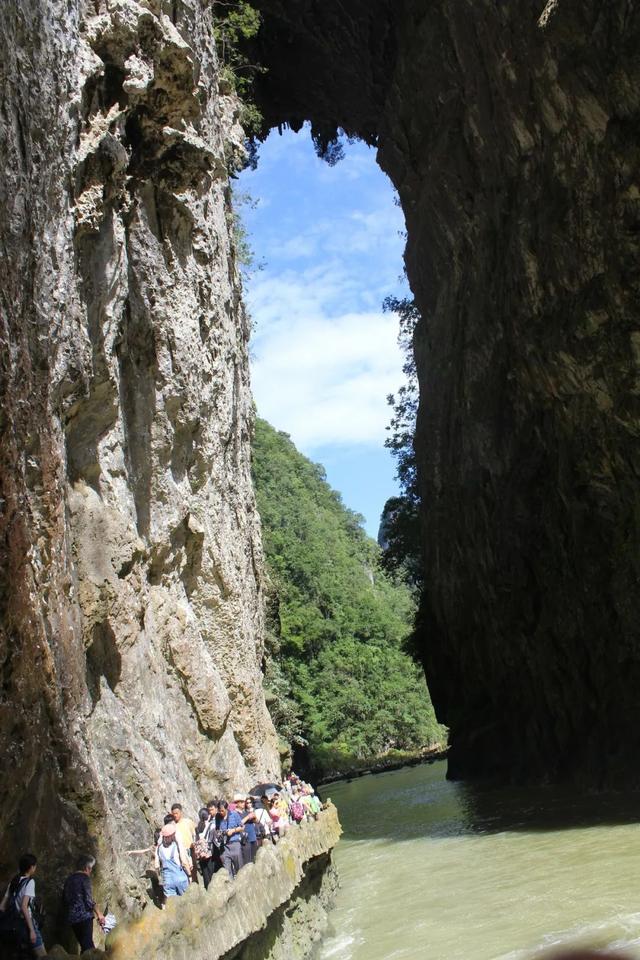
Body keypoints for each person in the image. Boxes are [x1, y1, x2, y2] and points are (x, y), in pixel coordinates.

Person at [0, 853, 46, 957]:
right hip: (26, 923)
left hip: (13, 925)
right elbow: (24, 907)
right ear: (31, 868)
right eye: (34, 866)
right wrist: (31, 930)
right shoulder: (30, 882)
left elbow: (2, 906)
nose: (35, 868)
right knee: (43, 955)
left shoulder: (14, 881)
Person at [62, 854, 105, 952]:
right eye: (91, 869)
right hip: (84, 917)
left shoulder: (69, 879)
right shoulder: (85, 878)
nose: (90, 871)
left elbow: (65, 899)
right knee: (88, 947)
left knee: (84, 945)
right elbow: (89, 901)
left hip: (72, 918)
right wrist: (100, 914)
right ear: (87, 868)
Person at [155, 823, 190, 898]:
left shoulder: (159, 848)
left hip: (167, 880)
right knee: (186, 901)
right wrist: (189, 875)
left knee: (173, 905)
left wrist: (160, 878)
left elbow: (157, 866)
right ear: (172, 835)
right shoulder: (176, 846)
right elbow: (184, 862)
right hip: (180, 878)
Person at [216, 800, 244, 878]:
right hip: (224, 846)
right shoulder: (217, 817)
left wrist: (233, 830)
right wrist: (220, 833)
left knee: (240, 869)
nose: (221, 812)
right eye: (219, 811)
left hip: (235, 843)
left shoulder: (234, 814)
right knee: (227, 871)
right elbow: (217, 829)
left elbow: (242, 827)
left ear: (227, 808)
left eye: (222, 811)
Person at [170, 804, 197, 881]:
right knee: (185, 873)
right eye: (173, 814)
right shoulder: (172, 825)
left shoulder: (188, 822)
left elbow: (194, 834)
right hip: (180, 852)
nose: (175, 815)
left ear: (181, 812)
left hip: (190, 849)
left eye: (176, 813)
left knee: (194, 871)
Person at [194, 807, 216, 890]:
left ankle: (207, 890)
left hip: (200, 853)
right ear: (208, 816)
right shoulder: (211, 825)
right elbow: (214, 839)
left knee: (205, 874)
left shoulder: (197, 827)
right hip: (210, 852)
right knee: (212, 873)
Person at [237, 796, 258, 866]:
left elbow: (256, 821)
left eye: (244, 802)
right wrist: (248, 817)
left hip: (253, 836)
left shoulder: (246, 812)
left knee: (255, 858)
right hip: (245, 839)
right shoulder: (236, 813)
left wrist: (254, 816)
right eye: (242, 802)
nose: (244, 804)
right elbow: (240, 823)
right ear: (237, 803)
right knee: (247, 860)